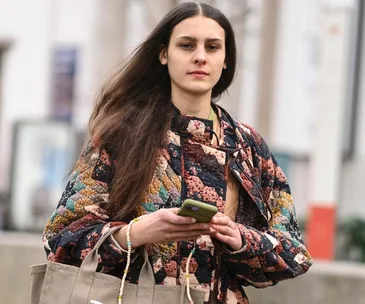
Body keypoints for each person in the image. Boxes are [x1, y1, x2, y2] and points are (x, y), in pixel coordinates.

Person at [42, 2, 312, 303]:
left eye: (212, 47)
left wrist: (240, 240)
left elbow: (294, 255)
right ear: (163, 54)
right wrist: (135, 233)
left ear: (225, 60)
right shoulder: (123, 135)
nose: (200, 56)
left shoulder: (249, 147)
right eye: (187, 45)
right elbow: (60, 239)